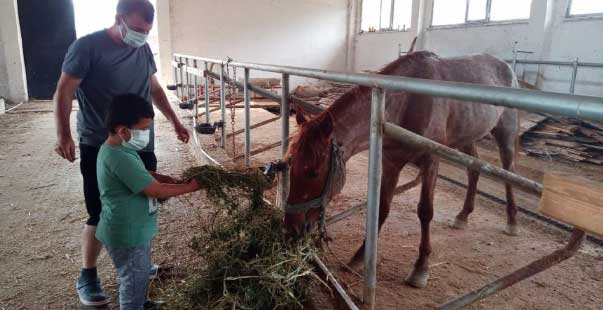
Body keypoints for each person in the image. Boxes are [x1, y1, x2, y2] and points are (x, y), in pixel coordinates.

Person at [52, 0, 189, 306]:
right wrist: (63, 133)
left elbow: (153, 87)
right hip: (101, 142)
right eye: (138, 29)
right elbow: (64, 89)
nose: (142, 35)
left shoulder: (142, 49)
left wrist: (175, 120)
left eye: (147, 31)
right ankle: (88, 275)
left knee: (142, 204)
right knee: (101, 211)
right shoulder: (87, 47)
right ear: (119, 19)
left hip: (140, 142)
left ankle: (136, 261)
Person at [97, 94, 199, 309]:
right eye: (143, 130)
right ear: (123, 130)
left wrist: (163, 177)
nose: (146, 134)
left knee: (140, 273)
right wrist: (192, 186)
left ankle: (141, 302)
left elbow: (142, 173)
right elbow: (155, 190)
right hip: (127, 233)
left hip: (133, 229)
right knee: (133, 278)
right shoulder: (120, 157)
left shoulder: (120, 149)